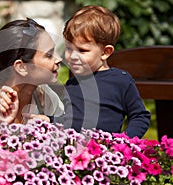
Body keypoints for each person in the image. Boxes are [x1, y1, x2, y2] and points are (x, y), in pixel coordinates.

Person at [61, 5, 151, 138]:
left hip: (104, 153)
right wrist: (49, 119)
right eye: (69, 49)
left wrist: (123, 141)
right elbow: (64, 119)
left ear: (105, 52)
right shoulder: (71, 84)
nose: (72, 56)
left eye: (82, 50)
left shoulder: (121, 81)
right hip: (73, 153)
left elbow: (139, 116)